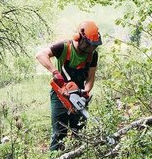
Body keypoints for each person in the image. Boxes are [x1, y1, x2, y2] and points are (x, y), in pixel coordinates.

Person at [35, 21, 102, 151]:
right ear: (79, 38)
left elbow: (91, 77)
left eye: (94, 46)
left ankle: (79, 158)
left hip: (78, 94)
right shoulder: (64, 47)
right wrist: (55, 72)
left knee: (80, 130)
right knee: (59, 131)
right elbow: (40, 55)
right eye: (89, 45)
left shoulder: (93, 54)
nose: (91, 49)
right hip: (60, 94)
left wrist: (86, 92)